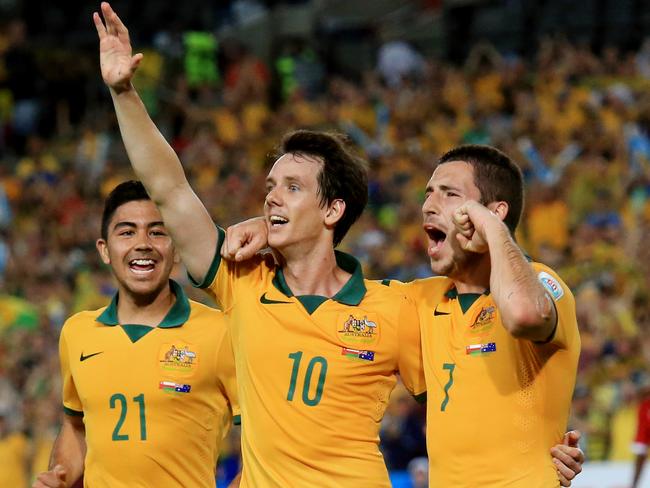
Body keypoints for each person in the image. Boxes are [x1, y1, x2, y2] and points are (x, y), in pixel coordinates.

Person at [94, 4, 426, 487]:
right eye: (271, 185)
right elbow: (171, 191)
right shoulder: (241, 280)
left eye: (293, 186)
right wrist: (123, 92)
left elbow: (460, 391)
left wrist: (545, 448)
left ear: (333, 211)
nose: (272, 194)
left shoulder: (395, 307)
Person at [223, 145, 584, 487]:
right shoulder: (418, 301)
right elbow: (331, 281)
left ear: (495, 211)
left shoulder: (541, 282)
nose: (429, 205)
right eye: (428, 193)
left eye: (449, 194)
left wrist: (491, 230)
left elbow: (522, 314)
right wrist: (270, 227)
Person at [32, 181, 239, 488]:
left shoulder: (220, 332)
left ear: (178, 249)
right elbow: (76, 427)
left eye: (157, 232)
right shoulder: (77, 332)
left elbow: (265, 438)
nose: (143, 243)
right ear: (105, 250)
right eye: (127, 232)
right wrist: (59, 474)